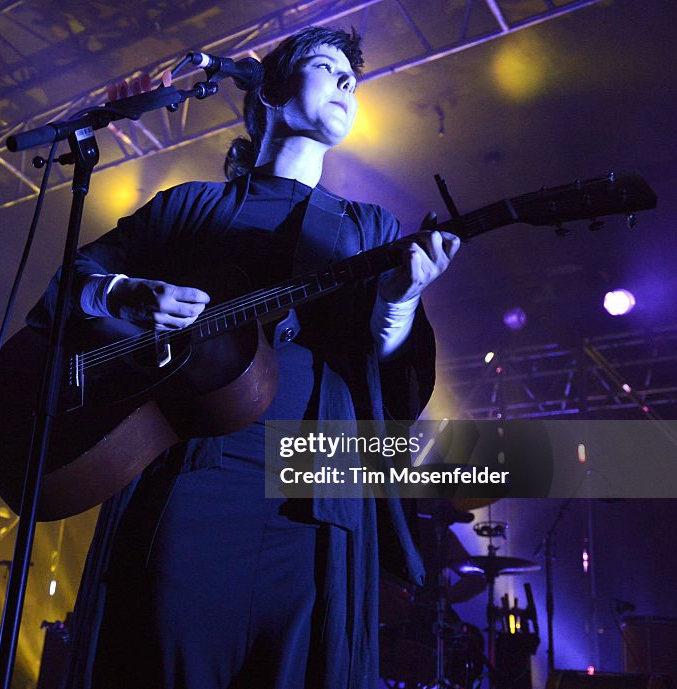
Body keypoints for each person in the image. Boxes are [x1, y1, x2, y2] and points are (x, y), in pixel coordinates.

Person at [27, 26, 460, 689]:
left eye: (354, 76)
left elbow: (394, 382)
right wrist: (121, 292)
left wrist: (398, 304)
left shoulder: (368, 227)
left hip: (316, 495)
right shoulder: (190, 208)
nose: (348, 83)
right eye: (327, 67)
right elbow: (66, 289)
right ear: (273, 90)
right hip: (196, 480)